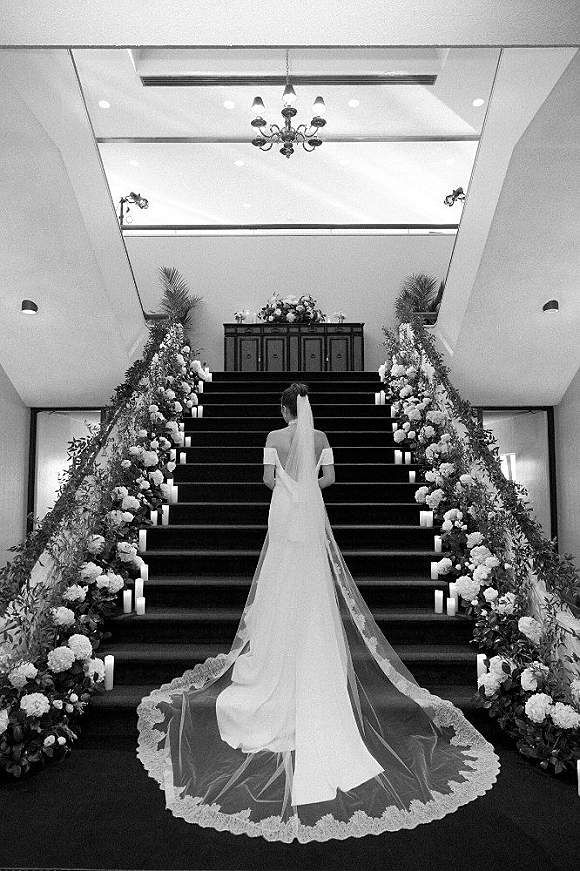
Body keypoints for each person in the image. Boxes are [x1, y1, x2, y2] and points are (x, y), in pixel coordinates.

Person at [137, 382, 499, 843]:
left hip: (284, 508)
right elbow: (329, 479)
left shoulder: (273, 437)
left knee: (278, 573)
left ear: (283, 409)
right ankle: (310, 649)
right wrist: (305, 484)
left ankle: (276, 651)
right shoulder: (322, 437)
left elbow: (268, 480)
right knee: (311, 576)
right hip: (310, 509)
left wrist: (289, 486)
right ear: (306, 408)